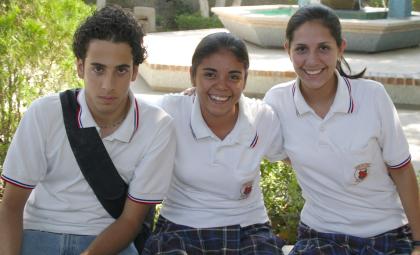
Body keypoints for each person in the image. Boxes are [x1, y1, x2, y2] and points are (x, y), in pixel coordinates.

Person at [0, 5, 176, 255]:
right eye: (98, 68)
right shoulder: (44, 114)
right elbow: (11, 205)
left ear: (135, 72)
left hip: (109, 239)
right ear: (80, 67)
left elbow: (131, 220)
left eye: (121, 70)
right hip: (39, 232)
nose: (108, 85)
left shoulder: (157, 127)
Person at [263, 5, 420, 255]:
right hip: (320, 235)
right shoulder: (277, 101)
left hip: (385, 234)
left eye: (324, 48)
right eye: (301, 49)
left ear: (340, 48)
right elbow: (240, 126)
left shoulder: (372, 96)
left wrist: (418, 243)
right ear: (288, 50)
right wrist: (198, 99)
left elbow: (401, 170)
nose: (312, 60)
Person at [142, 32, 286, 254]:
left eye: (233, 76)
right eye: (210, 75)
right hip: (179, 229)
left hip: (248, 230)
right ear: (192, 76)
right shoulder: (170, 112)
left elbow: (299, 158)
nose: (222, 86)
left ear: (245, 79)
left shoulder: (262, 118)